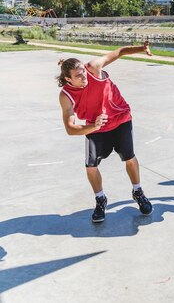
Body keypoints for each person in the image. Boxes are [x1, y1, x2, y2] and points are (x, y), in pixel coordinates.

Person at [57, 43, 153, 223]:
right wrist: (93, 127)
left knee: (129, 158)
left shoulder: (93, 68)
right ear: (68, 80)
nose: (84, 76)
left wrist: (141, 48)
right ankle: (100, 199)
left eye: (83, 72)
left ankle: (138, 191)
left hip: (120, 118)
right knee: (91, 166)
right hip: (95, 126)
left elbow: (120, 51)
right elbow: (70, 128)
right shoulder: (66, 96)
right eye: (78, 76)